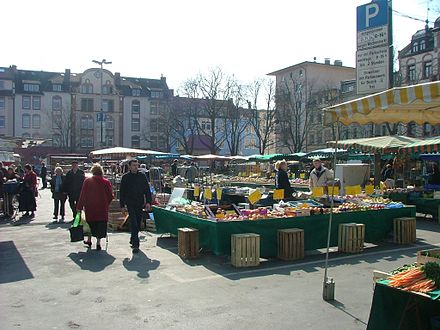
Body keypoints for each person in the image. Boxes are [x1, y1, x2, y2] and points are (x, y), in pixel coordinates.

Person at [76, 163, 113, 250]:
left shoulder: (88, 181)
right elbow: (111, 195)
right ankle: (98, 243)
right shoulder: (106, 182)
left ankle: (89, 240)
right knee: (100, 224)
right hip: (102, 208)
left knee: (90, 224)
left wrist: (79, 206)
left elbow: (83, 195)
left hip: (90, 207)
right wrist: (106, 203)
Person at [119, 159, 152, 253]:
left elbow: (147, 190)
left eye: (137, 165)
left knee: (137, 223)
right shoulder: (125, 177)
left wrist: (148, 202)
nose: (136, 167)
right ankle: (135, 245)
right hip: (130, 203)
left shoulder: (142, 176)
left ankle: (132, 237)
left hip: (139, 203)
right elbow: (122, 192)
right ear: (129, 166)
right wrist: (122, 205)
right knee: (133, 222)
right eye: (134, 165)